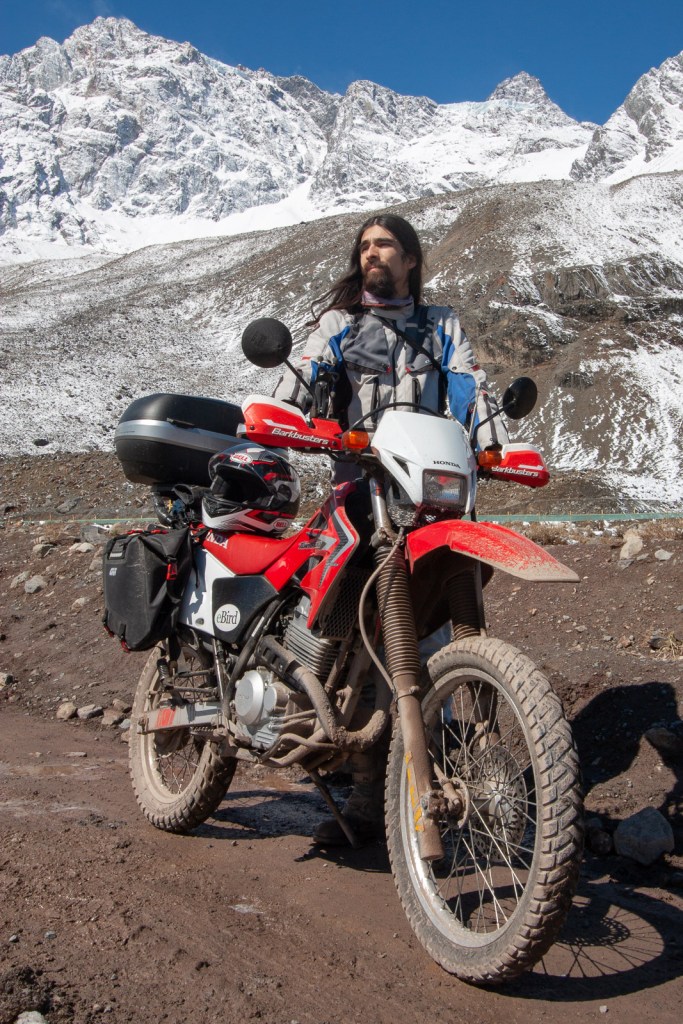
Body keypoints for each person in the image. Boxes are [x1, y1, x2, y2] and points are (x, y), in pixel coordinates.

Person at [274, 213, 509, 845]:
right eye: (365, 246)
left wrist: (497, 444)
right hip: (362, 491)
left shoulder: (442, 325)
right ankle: (321, 726)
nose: (372, 253)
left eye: (385, 245)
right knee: (338, 613)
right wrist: (280, 410)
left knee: (431, 634)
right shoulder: (339, 325)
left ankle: (452, 764)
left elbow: (470, 389)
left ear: (410, 259)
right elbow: (301, 379)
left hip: (432, 498)